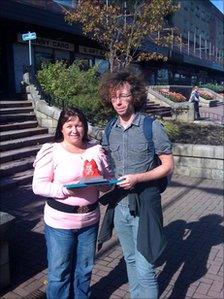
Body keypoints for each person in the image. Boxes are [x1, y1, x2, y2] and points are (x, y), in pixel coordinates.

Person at [98, 69, 174, 299]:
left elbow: (168, 165)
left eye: (123, 95)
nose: (118, 102)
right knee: (129, 260)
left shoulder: (152, 127)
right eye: (114, 97)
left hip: (144, 205)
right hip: (119, 205)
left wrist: (138, 177)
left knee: (145, 267)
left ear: (135, 96)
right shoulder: (109, 129)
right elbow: (107, 163)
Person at [32, 107, 112, 299]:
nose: (74, 130)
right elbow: (38, 186)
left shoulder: (95, 149)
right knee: (59, 274)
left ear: (85, 127)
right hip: (60, 223)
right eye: (69, 125)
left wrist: (103, 184)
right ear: (61, 128)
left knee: (84, 271)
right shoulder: (51, 150)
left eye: (79, 125)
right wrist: (66, 190)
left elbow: (108, 181)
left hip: (90, 221)